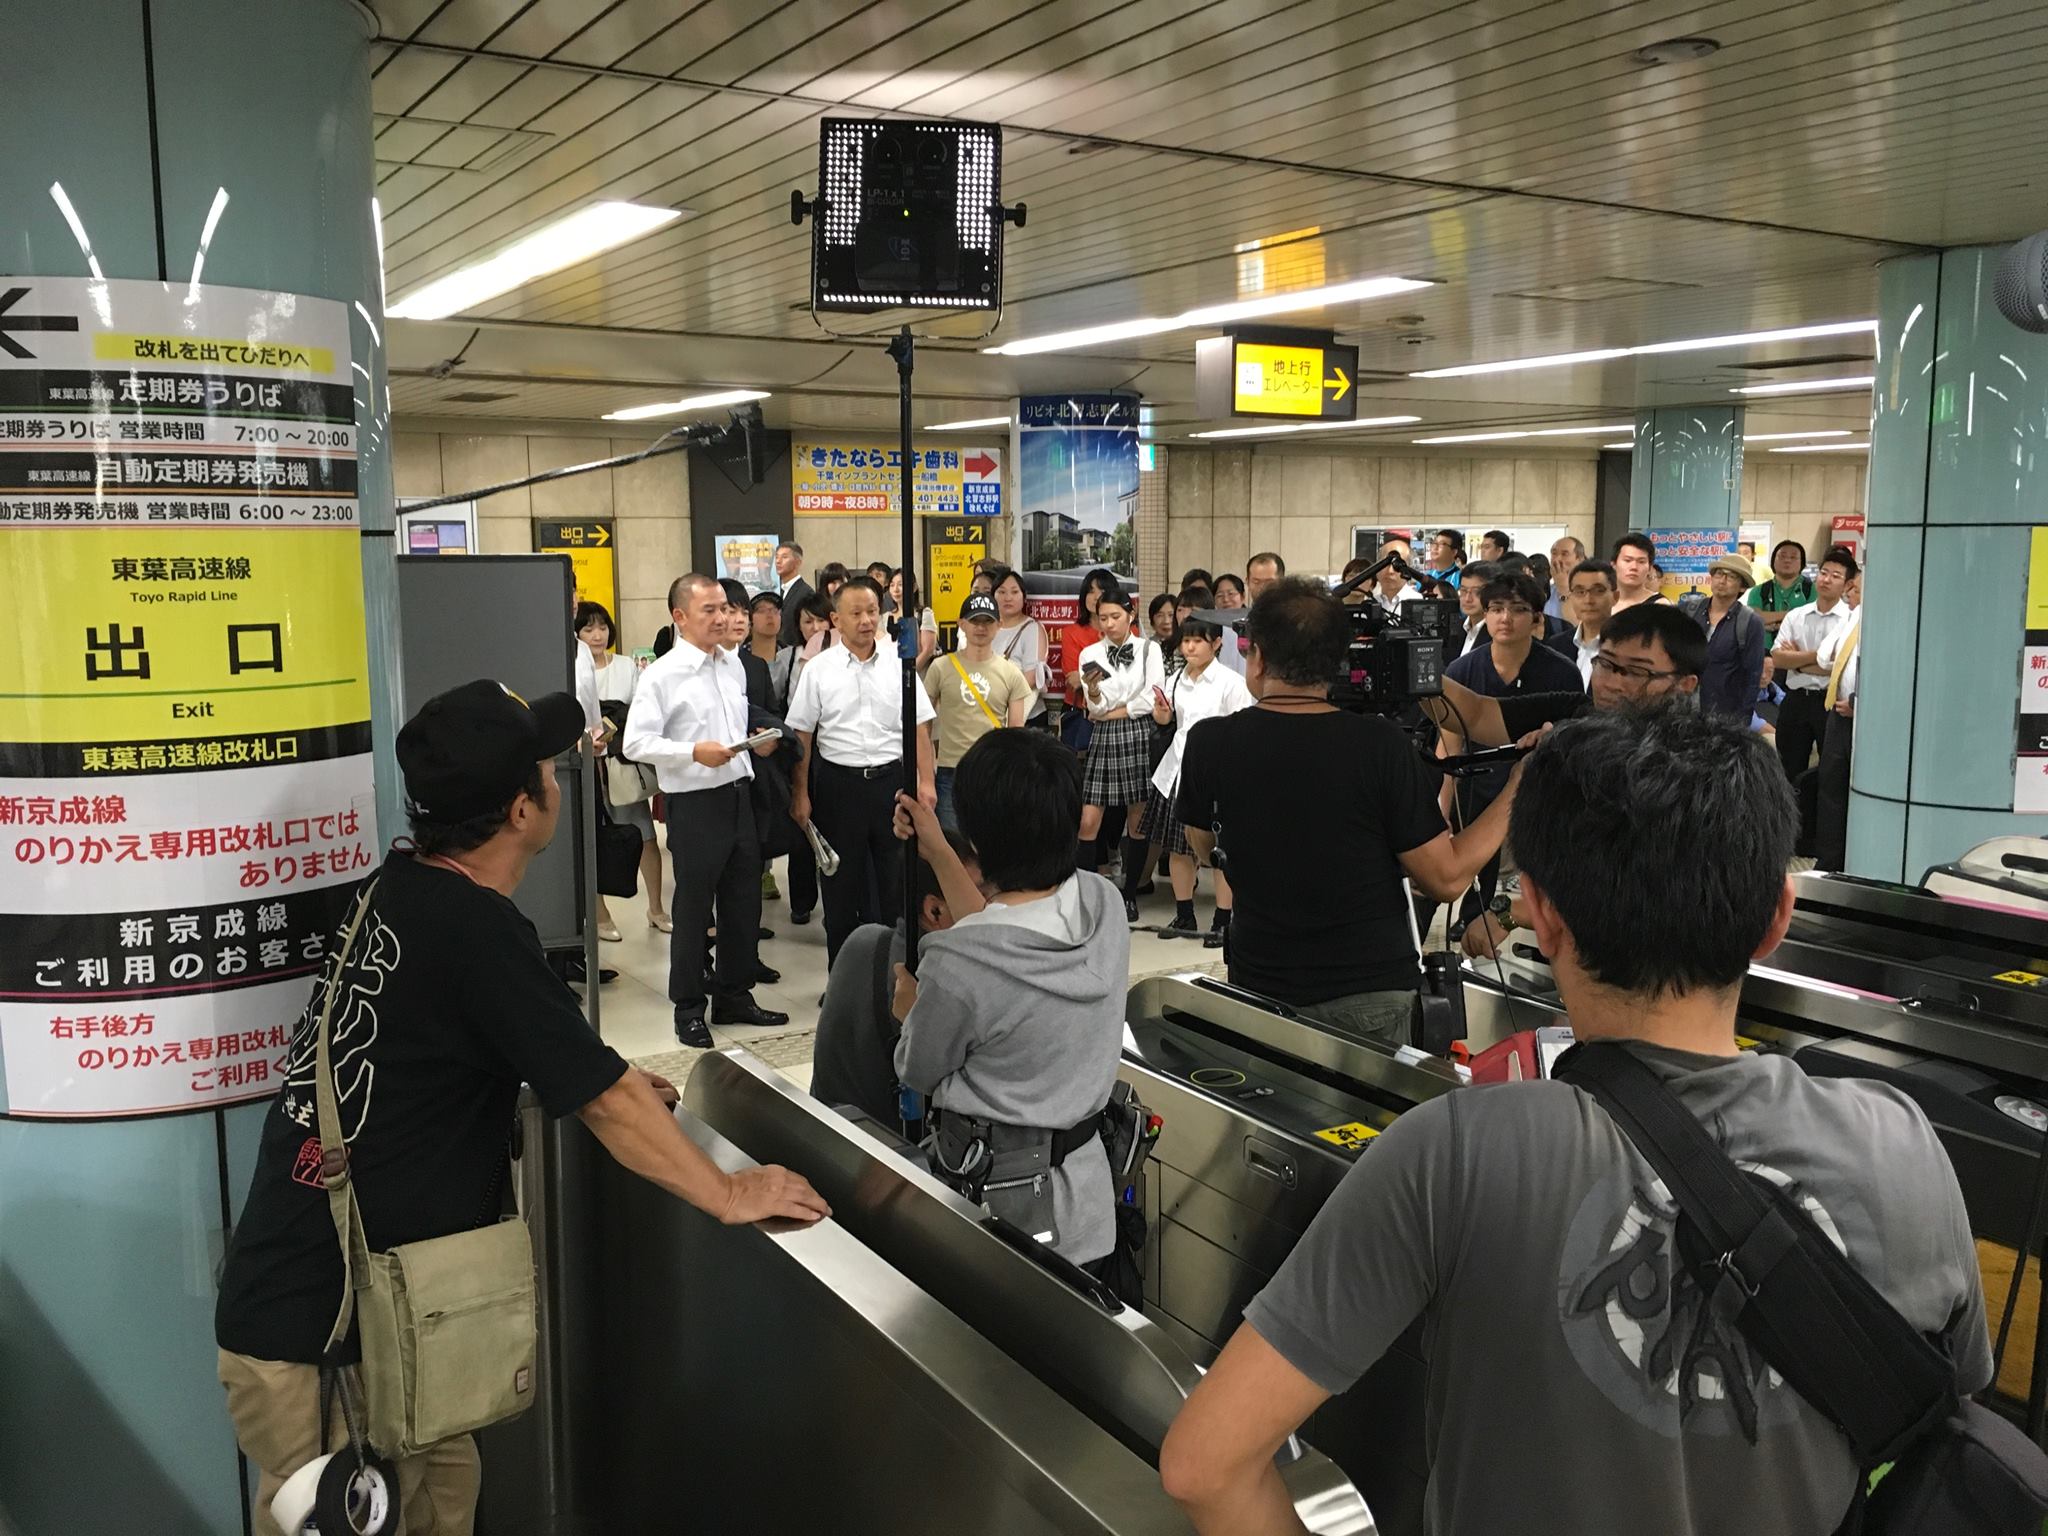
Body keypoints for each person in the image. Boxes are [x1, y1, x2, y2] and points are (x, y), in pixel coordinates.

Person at [1160, 703, 1989, 1536]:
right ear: (1777, 917)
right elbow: (1945, 1423)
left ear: (1542, 914)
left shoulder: (1452, 1154)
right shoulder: (1900, 1144)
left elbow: (1206, 1465)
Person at [215, 680, 827, 1536]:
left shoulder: (400, 886)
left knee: (443, 1496)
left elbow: (521, 1054)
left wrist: (599, 1073)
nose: (557, 777)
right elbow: (607, 1104)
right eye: (546, 766)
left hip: (361, 1307)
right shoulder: (476, 929)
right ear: (520, 810)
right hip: (331, 1337)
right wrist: (730, 1192)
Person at [1175, 579, 1521, 1045]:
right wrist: (1521, 783)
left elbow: (1204, 849)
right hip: (1370, 995)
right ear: (1337, 661)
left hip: (1259, 987)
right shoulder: (1380, 746)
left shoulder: (1209, 743)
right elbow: (1445, 878)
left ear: (1257, 658)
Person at [890, 732, 1129, 1272]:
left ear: (976, 838)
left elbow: (919, 1068)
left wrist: (910, 1012)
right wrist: (939, 850)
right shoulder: (1103, 904)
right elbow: (1007, 931)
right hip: (1088, 1205)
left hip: (997, 1220)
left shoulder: (957, 965)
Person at [1454, 602, 1705, 958]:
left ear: (1685, 684)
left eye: (1636, 672)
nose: (1612, 683)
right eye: (1606, 664)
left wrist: (1512, 913)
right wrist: (1414, 670)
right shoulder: (1578, 718)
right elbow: (1476, 714)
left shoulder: (1687, 766)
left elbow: (1635, 895)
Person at [624, 575, 788, 1047]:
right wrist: (693, 752)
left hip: (739, 795)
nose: (723, 618)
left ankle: (734, 995)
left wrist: (756, 740)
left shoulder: (731, 665)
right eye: (710, 610)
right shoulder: (662, 674)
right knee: (694, 909)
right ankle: (689, 1007)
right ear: (680, 617)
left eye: (726, 608)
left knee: (743, 902)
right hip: (695, 803)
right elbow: (635, 742)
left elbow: (733, 722)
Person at [786, 575, 939, 967]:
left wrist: (926, 781)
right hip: (839, 787)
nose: (867, 620)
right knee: (840, 890)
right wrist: (800, 794)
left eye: (872, 611)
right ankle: (842, 979)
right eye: (856, 613)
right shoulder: (818, 669)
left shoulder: (900, 663)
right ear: (836, 620)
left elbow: (919, 726)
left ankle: (896, 974)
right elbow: (802, 735)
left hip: (892, 786)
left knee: (895, 886)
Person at [1439, 571, 1584, 930]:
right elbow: (1449, 744)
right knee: (1474, 881)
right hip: (1477, 788)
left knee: (1532, 884)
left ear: (1537, 618)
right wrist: (1441, 806)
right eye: (1496, 608)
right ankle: (1472, 931)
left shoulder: (1561, 672)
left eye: (1518, 609)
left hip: (1537, 792)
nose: (1505, 618)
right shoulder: (1463, 669)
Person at [809, 827, 980, 1127]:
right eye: (979, 894)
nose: (988, 909)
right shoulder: (936, 982)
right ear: (935, 910)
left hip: (823, 1130)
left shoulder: (862, 939)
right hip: (884, 1149)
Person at [1138, 617, 1253, 944]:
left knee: (1219, 851)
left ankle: (1223, 920)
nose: (1189, 647)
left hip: (1215, 775)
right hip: (1176, 771)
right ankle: (1184, 914)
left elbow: (1241, 731)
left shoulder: (1231, 682)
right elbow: (1167, 720)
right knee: (1178, 849)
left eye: (1197, 641)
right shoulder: (1175, 679)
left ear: (1216, 643)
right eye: (1185, 641)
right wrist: (1161, 715)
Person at [576, 600, 668, 941]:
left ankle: (656, 907)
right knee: (593, 838)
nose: (597, 635)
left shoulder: (628, 666)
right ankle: (600, 914)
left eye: (602, 627)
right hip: (587, 762)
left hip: (622, 762)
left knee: (644, 835)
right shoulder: (574, 666)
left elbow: (638, 709)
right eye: (588, 628)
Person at [1075, 585, 1165, 919]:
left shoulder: (1149, 649)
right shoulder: (1089, 653)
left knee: (1137, 818)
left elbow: (1152, 697)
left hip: (1139, 734)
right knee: (1088, 819)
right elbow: (1096, 707)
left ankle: (1130, 895)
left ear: (1131, 614)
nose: (1109, 623)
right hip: (1103, 737)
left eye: (1115, 616)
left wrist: (1113, 711)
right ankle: (1086, 896)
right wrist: (1095, 694)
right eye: (1103, 618)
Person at [926, 592, 1029, 829]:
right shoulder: (940, 667)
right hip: (950, 770)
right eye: (974, 621)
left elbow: (1016, 733)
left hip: (993, 770)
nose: (981, 628)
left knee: (991, 840)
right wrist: (926, 773)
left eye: (987, 621)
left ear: (999, 625)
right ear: (961, 624)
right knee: (951, 843)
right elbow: (922, 723)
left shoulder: (1011, 673)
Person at [1771, 544, 1858, 783]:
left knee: (1830, 774)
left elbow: (1840, 667)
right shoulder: (1796, 615)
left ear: (1847, 585)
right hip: (1796, 699)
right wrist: (1819, 657)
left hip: (1829, 703)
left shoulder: (1850, 620)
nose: (1826, 579)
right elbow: (1778, 658)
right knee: (1787, 771)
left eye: (1835, 576)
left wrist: (1797, 661)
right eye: (1823, 572)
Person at [1678, 551, 1768, 721]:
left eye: (1731, 577)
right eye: (1719, 574)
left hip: (1724, 714)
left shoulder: (1750, 622)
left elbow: (1752, 676)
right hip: (1683, 710)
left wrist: (1742, 722)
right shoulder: (1688, 611)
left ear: (1742, 587)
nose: (1722, 580)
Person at [1814, 601, 1861, 872]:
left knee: (1861, 793)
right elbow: (1824, 656)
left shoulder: (1890, 617)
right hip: (1837, 712)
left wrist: (1861, 703)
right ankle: (1828, 864)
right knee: (1830, 789)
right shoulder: (1855, 615)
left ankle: (1854, 864)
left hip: (1868, 719)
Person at [1058, 568, 1120, 753]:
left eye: (1102, 591)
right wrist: (1114, 676)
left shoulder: (1129, 632)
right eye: (1090, 591)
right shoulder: (1071, 633)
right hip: (1080, 714)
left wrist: (1089, 676)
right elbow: (1074, 680)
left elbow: (1131, 679)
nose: (1096, 597)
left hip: (1118, 715)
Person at [990, 566, 1050, 728]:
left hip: (1027, 719)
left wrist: (998, 697)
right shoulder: (986, 628)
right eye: (1002, 592)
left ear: (1024, 597)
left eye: (1015, 592)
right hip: (990, 713)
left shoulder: (1032, 628)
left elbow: (1031, 677)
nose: (1008, 597)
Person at [1545, 557, 1614, 684]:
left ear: (1615, 596)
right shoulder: (1556, 646)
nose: (1588, 600)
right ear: (1571, 597)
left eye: (1598, 591)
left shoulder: (1626, 648)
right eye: (1580, 592)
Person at [1749, 539, 1814, 634]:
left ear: (1802, 563)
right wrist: (1794, 615)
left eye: (1793, 557)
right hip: (1765, 643)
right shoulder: (1758, 590)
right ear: (1773, 560)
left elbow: (1812, 618)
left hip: (1800, 643)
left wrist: (1770, 619)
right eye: (1782, 556)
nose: (1787, 560)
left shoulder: (1812, 589)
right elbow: (1754, 618)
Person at [1446, 559, 1499, 663]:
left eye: (1477, 592)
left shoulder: (1496, 633)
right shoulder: (1456, 628)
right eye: (1463, 590)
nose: (1467, 599)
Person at [888, 567, 939, 672]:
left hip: (919, 674)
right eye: (892, 585)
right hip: (893, 674)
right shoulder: (887, 617)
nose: (895, 589)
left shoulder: (924, 614)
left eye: (900, 585)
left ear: (914, 587)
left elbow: (928, 650)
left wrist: (909, 674)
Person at [746, 590, 788, 709]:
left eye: (775, 610)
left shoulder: (791, 656)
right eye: (761, 610)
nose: (770, 615)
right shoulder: (740, 657)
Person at [1610, 531, 1665, 611]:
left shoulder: (1660, 605)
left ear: (1650, 568)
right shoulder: (1601, 604)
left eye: (1641, 562)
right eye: (1628, 560)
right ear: (1614, 564)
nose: (1634, 567)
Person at [1371, 540, 1421, 616]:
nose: (1390, 571)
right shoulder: (1370, 603)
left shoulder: (1418, 603)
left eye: (1397, 565)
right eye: (1386, 564)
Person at [775, 540, 813, 637]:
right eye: (777, 557)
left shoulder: (806, 593)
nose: (778, 561)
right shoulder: (779, 592)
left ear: (798, 562)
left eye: (784, 557)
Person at [1545, 536, 1584, 620]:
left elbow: (1579, 625)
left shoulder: (1589, 591)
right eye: (1554, 553)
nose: (1557, 559)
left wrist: (1563, 588)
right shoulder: (1547, 592)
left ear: (1579, 560)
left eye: (1564, 554)